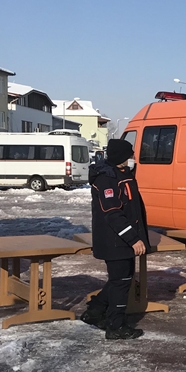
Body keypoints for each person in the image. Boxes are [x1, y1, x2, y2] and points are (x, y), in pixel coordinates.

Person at [79, 139, 151, 340]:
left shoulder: (123, 174)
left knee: (120, 279)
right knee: (121, 282)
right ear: (121, 157)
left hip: (123, 240)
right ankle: (115, 325)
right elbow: (113, 214)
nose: (133, 159)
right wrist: (133, 238)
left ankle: (94, 311)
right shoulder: (107, 179)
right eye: (130, 155)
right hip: (115, 241)